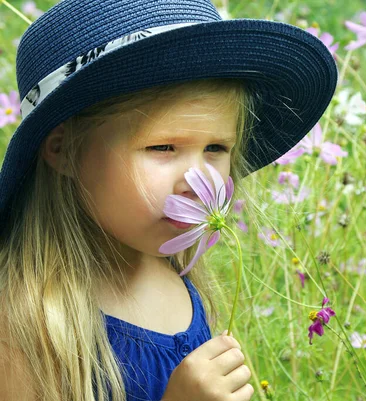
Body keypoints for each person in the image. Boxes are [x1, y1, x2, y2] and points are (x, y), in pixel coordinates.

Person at [0, 0, 337, 400]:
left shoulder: (183, 276)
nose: (198, 181)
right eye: (163, 147)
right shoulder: (25, 324)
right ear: (64, 151)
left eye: (216, 147)